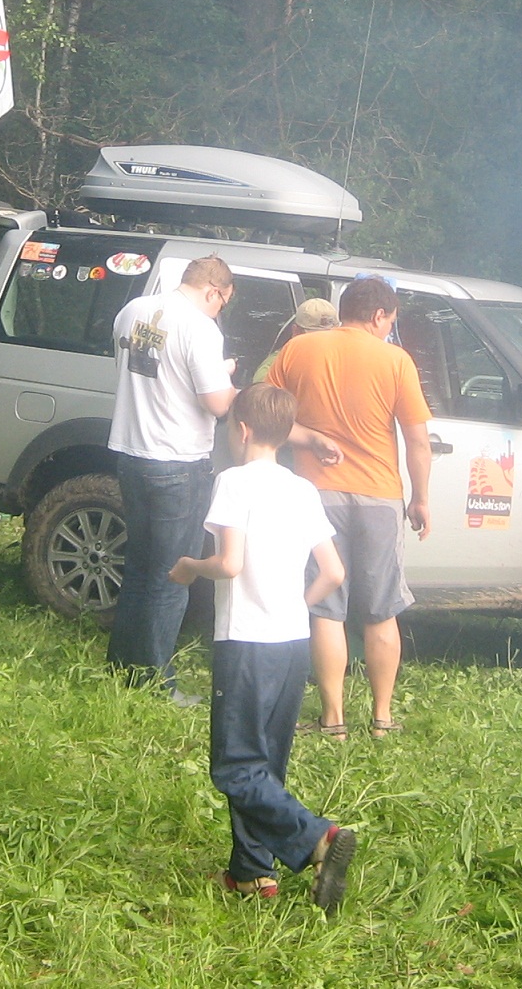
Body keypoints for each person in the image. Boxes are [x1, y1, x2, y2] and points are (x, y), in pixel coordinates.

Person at [170, 384, 358, 913]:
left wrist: (190, 568)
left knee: (234, 765)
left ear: (243, 430)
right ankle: (251, 872)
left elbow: (229, 564)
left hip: (246, 642)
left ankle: (318, 837)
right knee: (265, 763)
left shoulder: (232, 481)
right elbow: (333, 572)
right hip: (292, 641)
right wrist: (296, 604)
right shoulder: (302, 489)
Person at [266, 274, 432, 740]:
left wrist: (307, 438)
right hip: (379, 496)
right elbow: (418, 441)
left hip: (315, 495)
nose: (390, 329)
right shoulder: (396, 360)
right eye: (390, 321)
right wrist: (420, 498)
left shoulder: (298, 350)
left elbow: (263, 413)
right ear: (378, 315)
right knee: (381, 611)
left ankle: (333, 719)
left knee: (326, 609)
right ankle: (381, 718)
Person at [106, 254, 240, 702]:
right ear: (214, 291)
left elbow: (148, 371)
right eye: (222, 302)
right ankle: (156, 684)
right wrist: (227, 379)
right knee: (172, 575)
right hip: (179, 462)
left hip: (131, 452)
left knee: (139, 567)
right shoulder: (200, 327)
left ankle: (123, 667)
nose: (219, 310)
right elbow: (217, 404)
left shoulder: (133, 310)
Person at [252, 296, 339, 383]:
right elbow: (260, 389)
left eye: (328, 337)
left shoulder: (339, 360)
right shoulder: (274, 367)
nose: (322, 343)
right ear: (295, 332)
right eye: (314, 338)